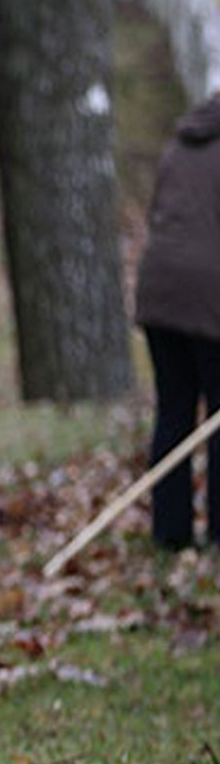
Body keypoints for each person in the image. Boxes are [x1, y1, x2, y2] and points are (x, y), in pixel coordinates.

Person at [134, 91, 220, 549]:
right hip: (208, 297)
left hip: (159, 292)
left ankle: (171, 534)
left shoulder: (178, 144)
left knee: (174, 413)